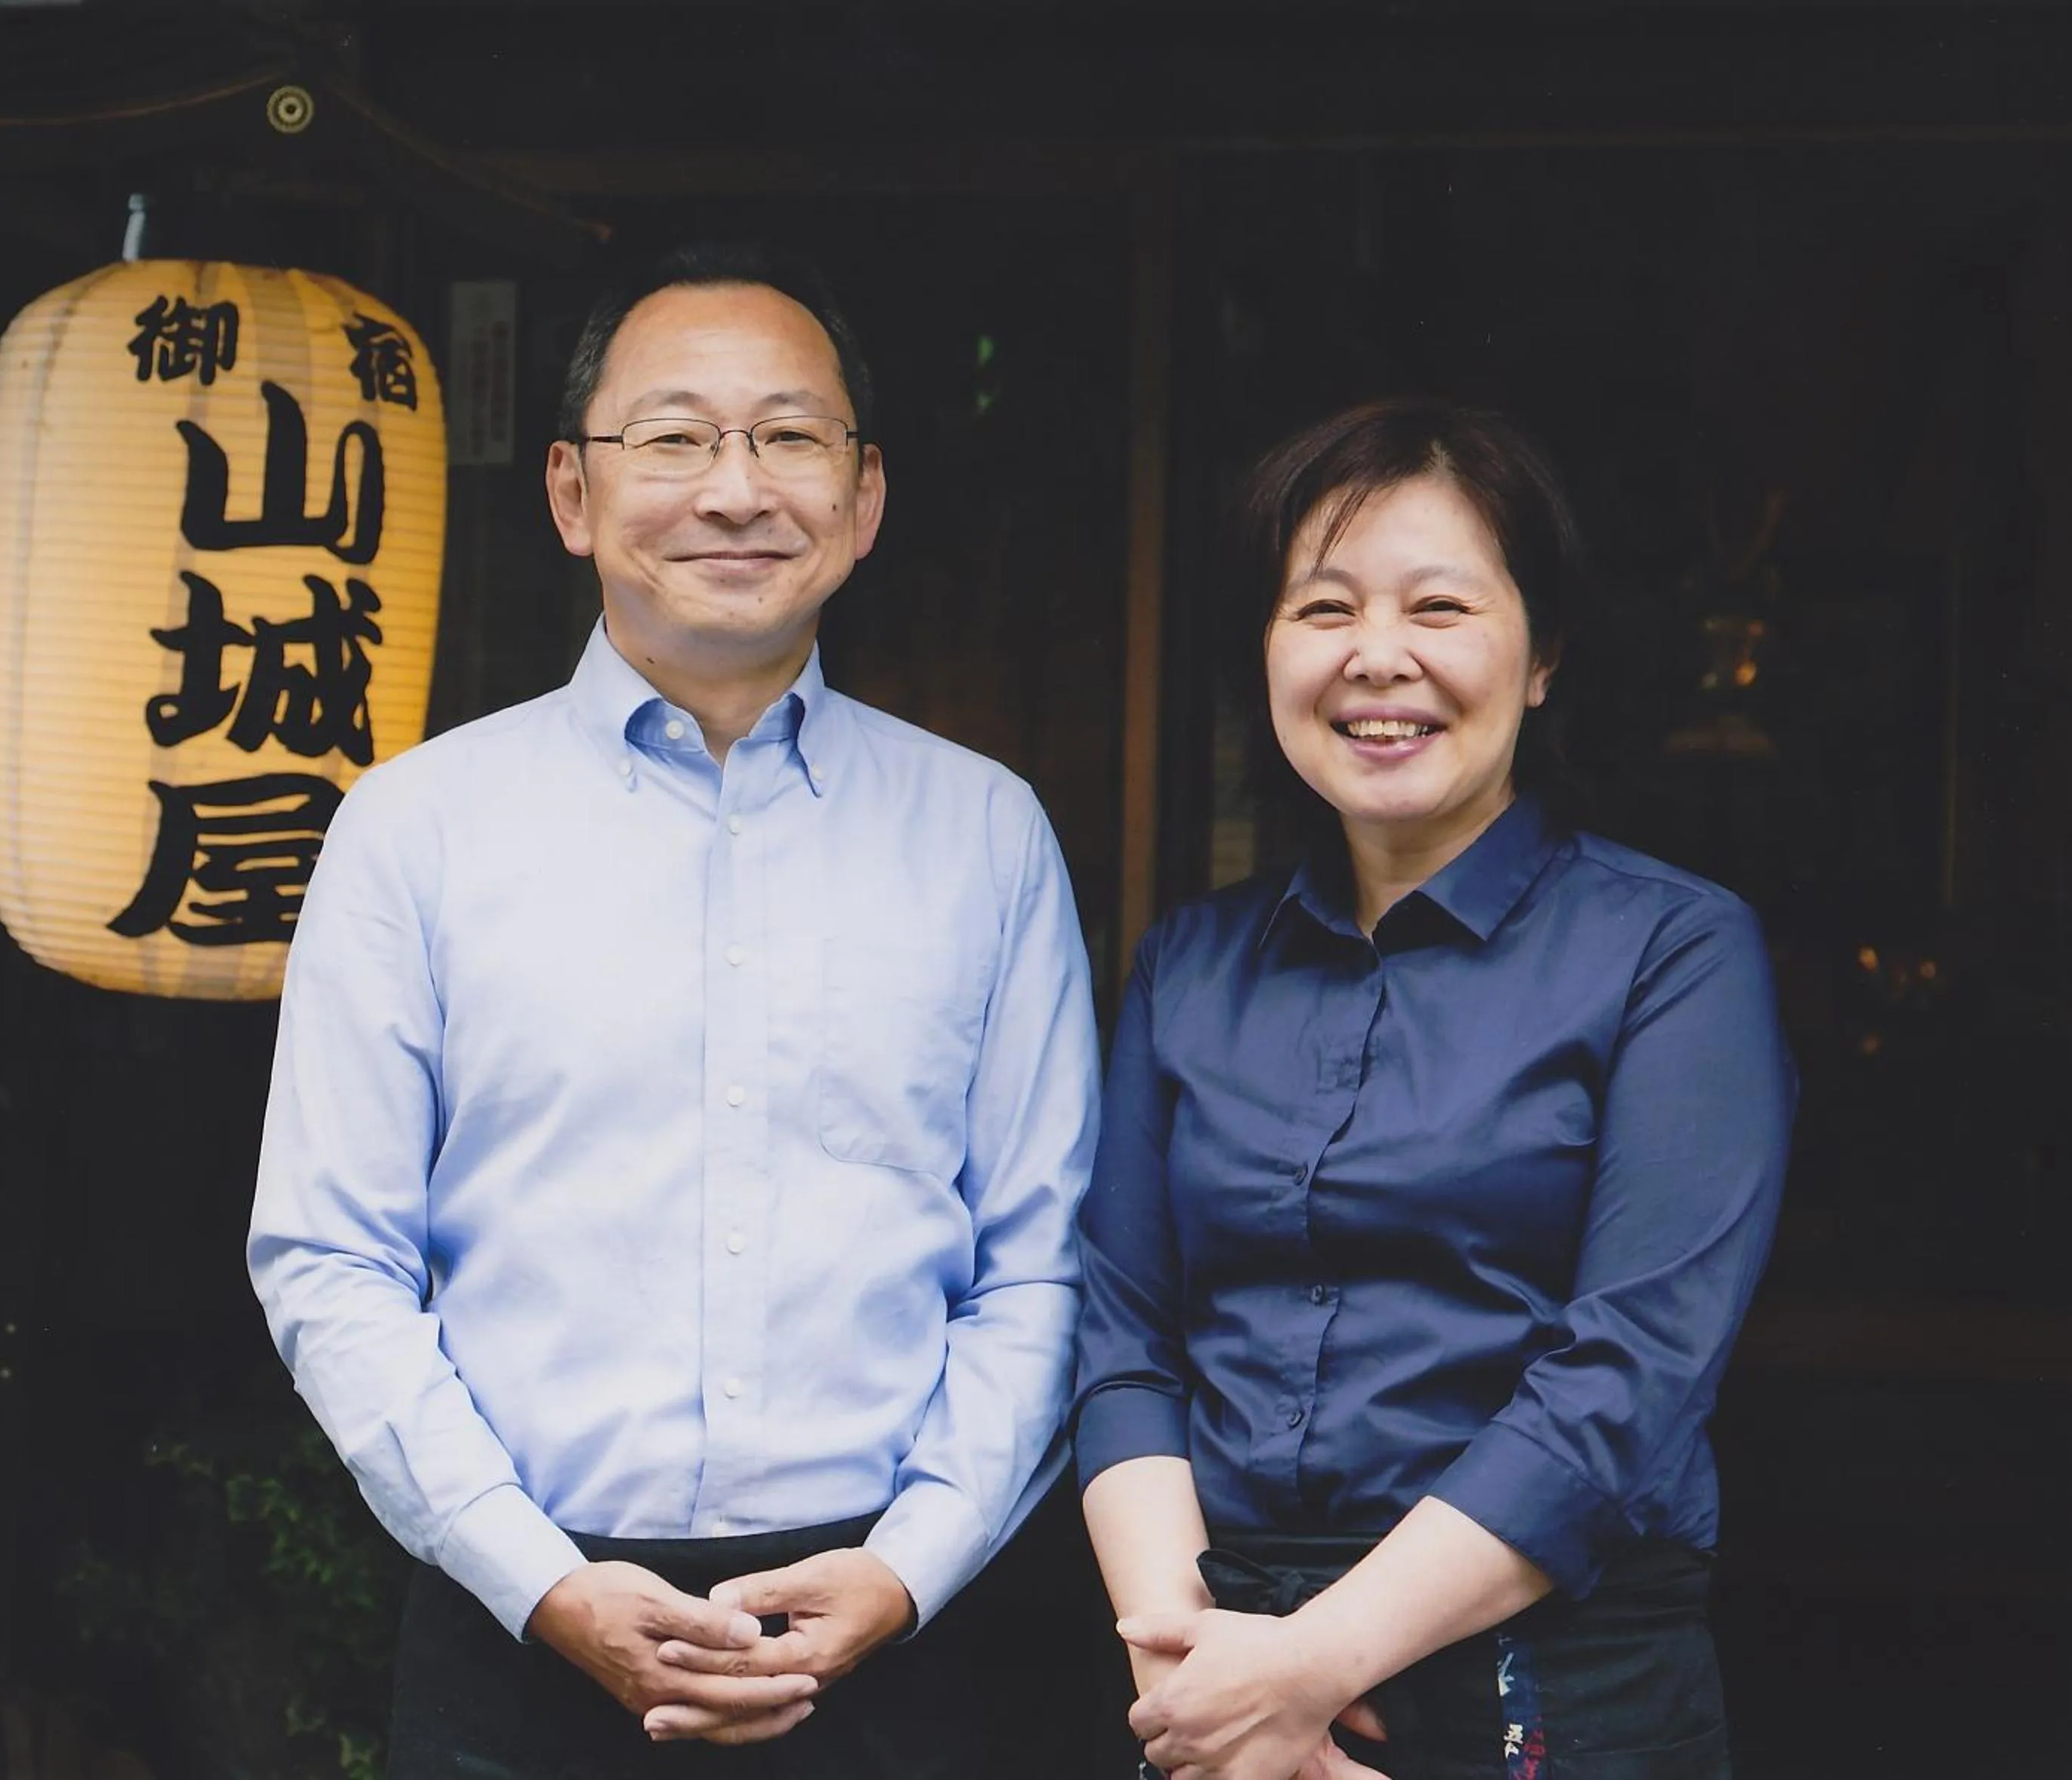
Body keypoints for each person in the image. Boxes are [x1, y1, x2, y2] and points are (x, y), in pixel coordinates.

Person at [247, 242, 1100, 1778]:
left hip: (885, 1646)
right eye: (674, 438)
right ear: (574, 493)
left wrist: (910, 1564)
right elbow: (332, 1255)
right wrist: (541, 1579)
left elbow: (1041, 1256)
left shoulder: (985, 831)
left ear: (864, 495)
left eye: (787, 436)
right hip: (516, 1628)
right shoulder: (414, 828)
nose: (733, 487)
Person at [1074, 398, 1795, 1780]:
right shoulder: (1186, 969)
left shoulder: (1670, 950)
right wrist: (1202, 1686)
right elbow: (1124, 1341)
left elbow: (1626, 1376)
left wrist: (1309, 1669)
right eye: (1323, 606)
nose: (1377, 657)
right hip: (1212, 1674)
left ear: (1542, 658)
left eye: (1441, 605)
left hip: (1553, 1666)